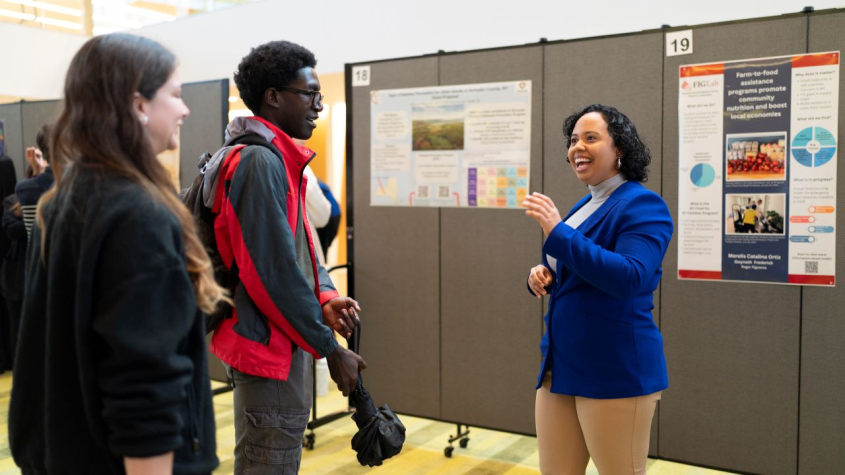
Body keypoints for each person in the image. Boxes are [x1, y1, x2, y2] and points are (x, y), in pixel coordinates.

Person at [9, 33, 227, 474]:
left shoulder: (70, 197)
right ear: (139, 104)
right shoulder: (137, 214)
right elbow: (143, 383)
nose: (184, 110)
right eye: (175, 95)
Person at [205, 40, 365, 474]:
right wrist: (330, 348)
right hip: (268, 349)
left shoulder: (275, 158)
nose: (318, 105)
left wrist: (326, 295)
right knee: (268, 466)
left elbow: (299, 245)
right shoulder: (259, 162)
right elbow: (270, 272)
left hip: (277, 342)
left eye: (320, 95)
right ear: (273, 97)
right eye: (309, 94)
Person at [522, 104, 673, 475]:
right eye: (573, 140)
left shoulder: (642, 204)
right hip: (560, 366)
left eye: (591, 138)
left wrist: (559, 234)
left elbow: (629, 277)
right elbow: (581, 267)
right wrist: (544, 274)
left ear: (619, 148)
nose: (578, 147)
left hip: (614, 369)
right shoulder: (587, 204)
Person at [15, 125, 54, 240]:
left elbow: (37, 186)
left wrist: (37, 170)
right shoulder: (72, 185)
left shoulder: (23, 189)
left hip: (34, 256)